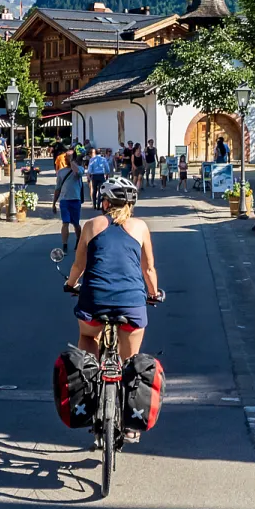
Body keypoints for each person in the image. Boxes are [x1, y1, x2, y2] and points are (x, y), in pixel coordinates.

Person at [64, 176, 161, 365]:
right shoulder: (140, 227)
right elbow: (148, 269)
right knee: (130, 363)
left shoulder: (92, 225)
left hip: (95, 299)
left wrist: (70, 284)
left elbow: (78, 266)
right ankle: (126, 379)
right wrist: (153, 293)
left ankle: (89, 375)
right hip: (131, 300)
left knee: (88, 336)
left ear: (106, 202)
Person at [53, 151, 86, 251]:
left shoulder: (79, 169)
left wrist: (72, 161)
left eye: (69, 157)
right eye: (66, 157)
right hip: (64, 200)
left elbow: (77, 172)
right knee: (65, 223)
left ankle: (78, 240)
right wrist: (54, 203)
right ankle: (65, 245)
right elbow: (57, 188)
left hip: (75, 200)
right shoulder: (61, 172)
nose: (67, 158)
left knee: (76, 224)